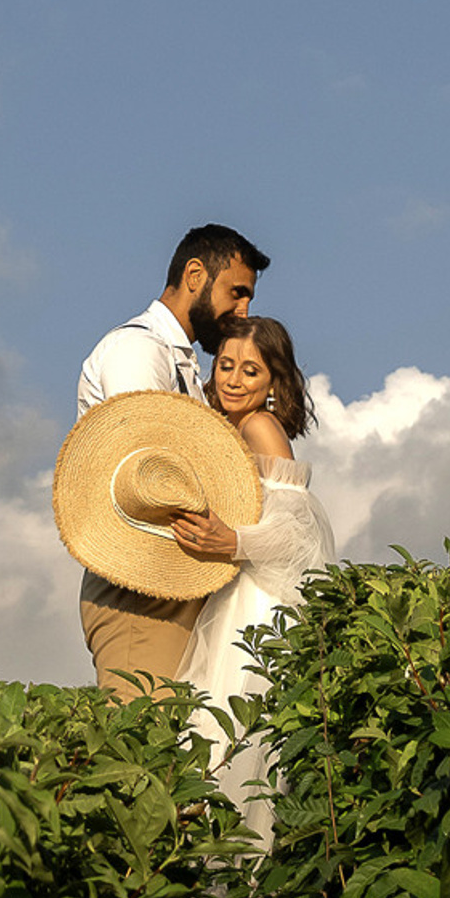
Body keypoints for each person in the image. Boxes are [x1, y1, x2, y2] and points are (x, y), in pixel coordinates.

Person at [75, 224, 269, 695]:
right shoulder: (138, 350)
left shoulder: (179, 359)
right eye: (237, 292)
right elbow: (146, 462)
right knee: (143, 750)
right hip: (139, 593)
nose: (243, 310)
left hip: (170, 585)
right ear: (196, 275)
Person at [171, 313, 339, 847]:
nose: (234, 379)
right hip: (243, 591)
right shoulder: (229, 429)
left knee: (233, 744)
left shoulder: (259, 427)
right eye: (225, 365)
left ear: (273, 383)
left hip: (259, 601)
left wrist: (233, 543)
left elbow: (297, 529)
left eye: (251, 371)